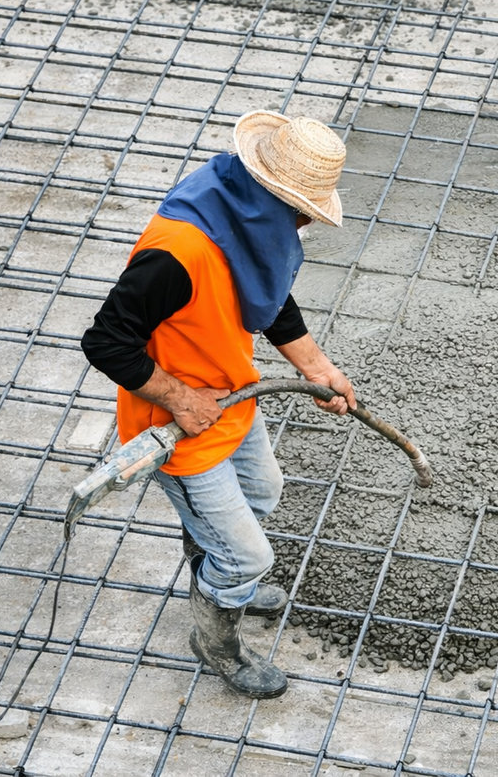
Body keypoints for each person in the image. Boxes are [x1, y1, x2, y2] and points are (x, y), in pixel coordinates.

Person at [81, 111, 357, 699]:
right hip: (176, 423)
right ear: (274, 193)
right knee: (245, 555)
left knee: (263, 492)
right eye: (303, 209)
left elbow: (269, 296)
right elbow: (105, 341)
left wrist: (319, 370)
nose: (307, 220)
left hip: (230, 395)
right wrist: (180, 398)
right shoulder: (179, 251)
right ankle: (217, 639)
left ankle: (223, 570)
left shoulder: (240, 217)